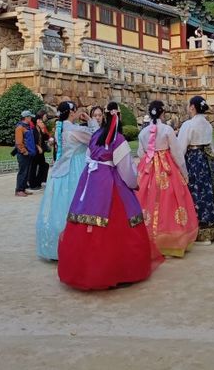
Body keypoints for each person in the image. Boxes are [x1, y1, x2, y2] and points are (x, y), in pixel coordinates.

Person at [58, 102, 163, 290]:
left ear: (105, 117)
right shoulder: (119, 139)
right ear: (119, 117)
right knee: (119, 223)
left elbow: (89, 157)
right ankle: (120, 269)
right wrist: (134, 184)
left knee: (87, 221)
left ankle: (84, 267)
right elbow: (126, 170)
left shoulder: (96, 136)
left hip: (91, 181)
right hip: (112, 184)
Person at [136, 100, 199, 258]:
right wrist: (184, 172)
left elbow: (140, 153)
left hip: (149, 168)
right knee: (170, 201)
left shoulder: (143, 133)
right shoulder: (167, 130)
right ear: (163, 113)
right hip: (166, 167)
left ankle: (149, 238)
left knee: (147, 201)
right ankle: (171, 240)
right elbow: (177, 152)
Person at [35, 101, 92, 261]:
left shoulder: (62, 129)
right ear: (72, 112)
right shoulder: (75, 130)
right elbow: (95, 137)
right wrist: (90, 120)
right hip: (77, 168)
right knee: (77, 204)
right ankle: (76, 243)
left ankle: (57, 243)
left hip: (62, 170)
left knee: (61, 205)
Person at [178, 95, 214, 244]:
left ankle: (201, 231)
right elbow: (211, 146)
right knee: (212, 190)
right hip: (208, 160)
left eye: (189, 105)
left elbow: (181, 148)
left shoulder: (188, 125)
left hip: (193, 160)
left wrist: (179, 166)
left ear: (192, 107)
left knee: (196, 192)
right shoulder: (208, 125)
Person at [14, 110, 37, 197]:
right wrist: (24, 151)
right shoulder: (20, 127)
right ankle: (19, 190)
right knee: (22, 172)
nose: (31, 118)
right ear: (26, 117)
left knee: (26, 172)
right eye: (30, 117)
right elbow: (19, 142)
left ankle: (23, 189)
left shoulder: (27, 127)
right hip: (23, 154)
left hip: (28, 153)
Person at [29, 110, 51, 191]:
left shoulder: (39, 130)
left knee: (43, 165)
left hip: (40, 152)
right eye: (41, 121)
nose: (42, 122)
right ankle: (33, 184)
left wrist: (43, 130)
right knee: (33, 167)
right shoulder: (34, 130)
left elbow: (45, 138)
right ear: (37, 121)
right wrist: (38, 147)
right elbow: (33, 140)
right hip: (35, 152)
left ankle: (39, 181)